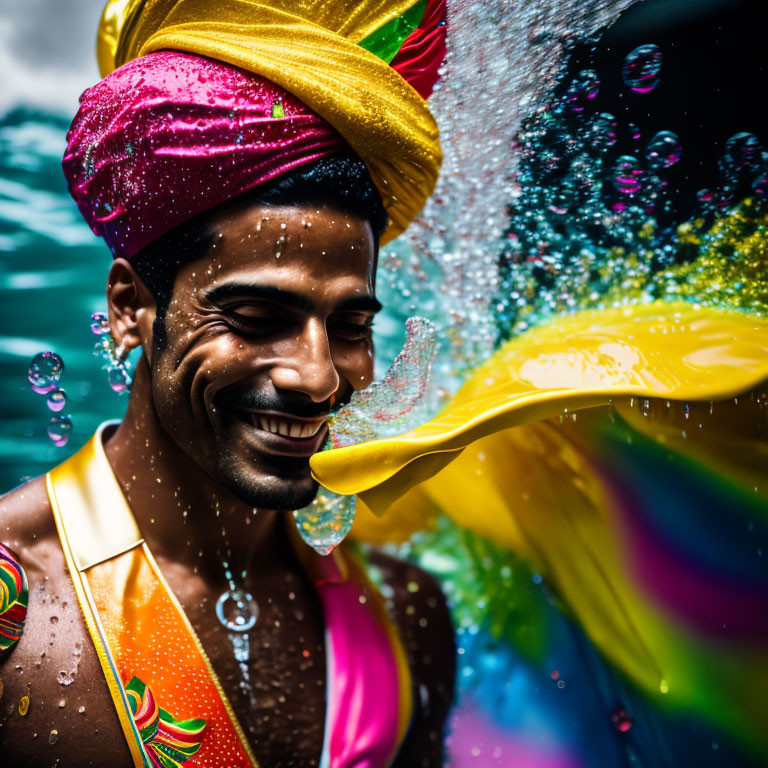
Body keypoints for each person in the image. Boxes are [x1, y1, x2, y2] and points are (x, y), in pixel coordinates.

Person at [0, 1, 455, 766]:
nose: (315, 378)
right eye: (254, 316)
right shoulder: (17, 607)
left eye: (350, 326)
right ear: (130, 308)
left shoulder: (408, 618)